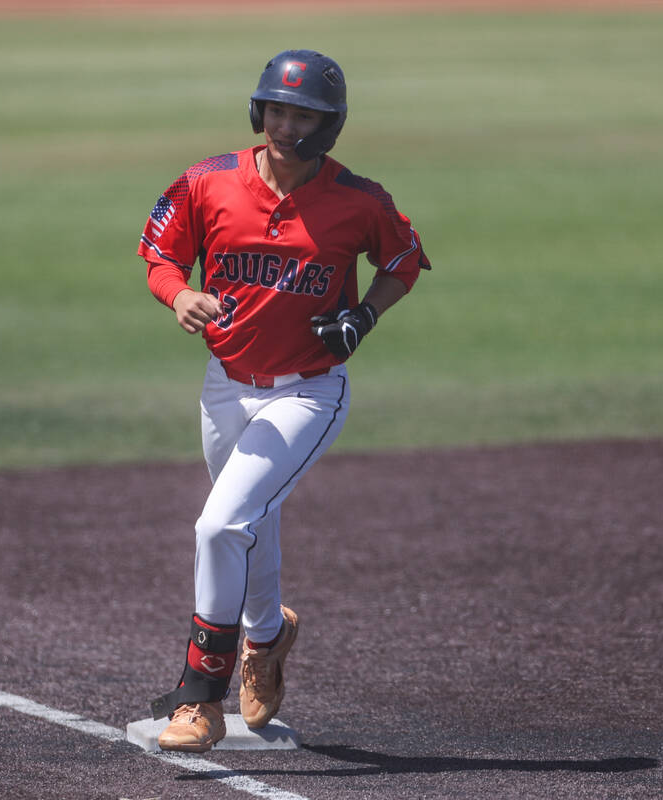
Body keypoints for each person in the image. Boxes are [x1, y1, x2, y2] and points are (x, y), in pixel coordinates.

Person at [139, 50, 430, 752]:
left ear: (328, 124)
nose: (284, 123)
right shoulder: (206, 181)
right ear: (258, 110)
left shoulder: (358, 199)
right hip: (225, 387)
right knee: (250, 525)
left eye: (301, 113)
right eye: (275, 108)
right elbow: (160, 255)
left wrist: (364, 315)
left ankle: (198, 699)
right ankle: (268, 640)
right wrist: (179, 294)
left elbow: (403, 261)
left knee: (218, 527)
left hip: (308, 392)